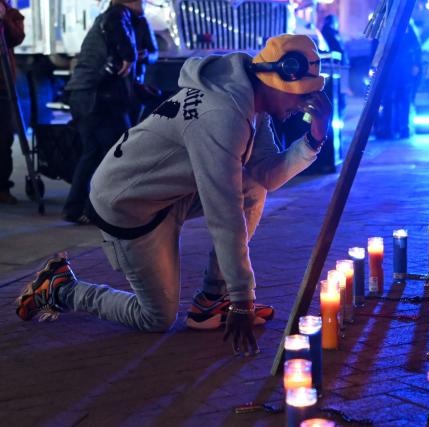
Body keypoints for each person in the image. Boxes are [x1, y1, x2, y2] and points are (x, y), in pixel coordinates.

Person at [16, 34, 332, 356]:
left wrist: (313, 140)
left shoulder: (251, 99)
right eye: (300, 96)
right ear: (275, 81)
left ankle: (210, 302)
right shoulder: (222, 116)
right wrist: (241, 299)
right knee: (155, 317)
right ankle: (61, 288)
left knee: (251, 186)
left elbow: (266, 175)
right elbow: (224, 214)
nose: (301, 106)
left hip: (169, 192)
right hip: (128, 206)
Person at [62, 0, 142, 224]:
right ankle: (97, 209)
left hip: (84, 94)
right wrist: (130, 54)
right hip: (95, 97)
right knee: (117, 152)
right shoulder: (117, 14)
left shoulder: (112, 18)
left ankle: (78, 207)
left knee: (94, 153)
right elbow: (115, 25)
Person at [376, 20, 421, 140]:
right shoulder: (386, 25)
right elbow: (377, 47)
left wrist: (416, 64)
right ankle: (389, 129)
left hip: (403, 70)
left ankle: (403, 128)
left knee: (403, 99)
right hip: (390, 70)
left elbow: (416, 48)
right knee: (388, 100)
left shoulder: (407, 26)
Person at [0, 0, 25, 205]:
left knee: (4, 139)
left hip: (2, 86)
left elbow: (17, 37)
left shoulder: (10, 12)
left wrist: (4, 18)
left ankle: (2, 187)